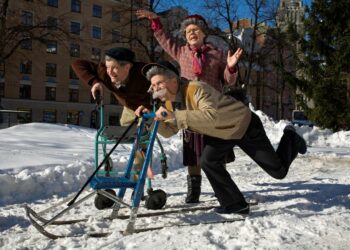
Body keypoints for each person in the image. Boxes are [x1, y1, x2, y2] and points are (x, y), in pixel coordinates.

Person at [135, 61, 307, 215]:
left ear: (173, 80)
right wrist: (149, 120)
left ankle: (290, 137)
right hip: (219, 133)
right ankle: (235, 204)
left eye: (159, 83)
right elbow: (169, 131)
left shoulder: (196, 89)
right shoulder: (170, 103)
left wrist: (175, 115)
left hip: (243, 124)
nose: (155, 88)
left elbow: (212, 116)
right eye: (153, 85)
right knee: (208, 161)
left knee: (278, 172)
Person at [136, 10, 243, 203]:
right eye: (187, 32)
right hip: (189, 109)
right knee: (193, 152)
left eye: (194, 30)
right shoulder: (181, 51)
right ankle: (194, 191)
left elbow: (228, 81)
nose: (191, 33)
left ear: (203, 32)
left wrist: (231, 67)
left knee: (215, 151)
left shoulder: (217, 55)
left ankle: (224, 189)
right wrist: (156, 22)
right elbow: (164, 40)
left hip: (211, 109)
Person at [72, 47, 151, 186]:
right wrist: (94, 82)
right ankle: (125, 172)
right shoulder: (105, 73)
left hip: (147, 109)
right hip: (129, 108)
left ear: (127, 67)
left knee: (141, 141)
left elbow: (165, 80)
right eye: (108, 67)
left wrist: (151, 107)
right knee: (130, 139)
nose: (110, 72)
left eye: (114, 68)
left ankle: (140, 182)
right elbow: (78, 63)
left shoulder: (144, 73)